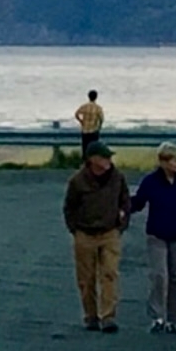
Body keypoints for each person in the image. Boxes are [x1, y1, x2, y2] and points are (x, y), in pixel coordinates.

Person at [128, 143, 176, 334]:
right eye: (173, 160)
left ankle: (174, 318)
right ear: (163, 162)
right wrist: (120, 207)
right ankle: (157, 317)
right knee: (159, 276)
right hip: (157, 235)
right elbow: (138, 202)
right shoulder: (151, 182)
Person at [64, 141, 130, 332]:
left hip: (110, 233)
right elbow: (69, 207)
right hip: (84, 234)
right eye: (104, 157)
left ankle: (108, 316)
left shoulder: (117, 178)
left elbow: (125, 202)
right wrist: (75, 230)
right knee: (86, 279)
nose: (108, 160)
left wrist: (121, 226)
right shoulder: (77, 181)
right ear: (92, 160)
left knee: (110, 274)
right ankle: (90, 316)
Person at [74, 90, 105, 157]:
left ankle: (85, 163)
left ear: (88, 97)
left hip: (85, 130)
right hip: (94, 131)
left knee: (85, 148)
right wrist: (99, 126)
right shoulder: (98, 108)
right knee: (94, 150)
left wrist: (81, 121)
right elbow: (101, 119)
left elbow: (76, 114)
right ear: (96, 97)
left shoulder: (84, 106)